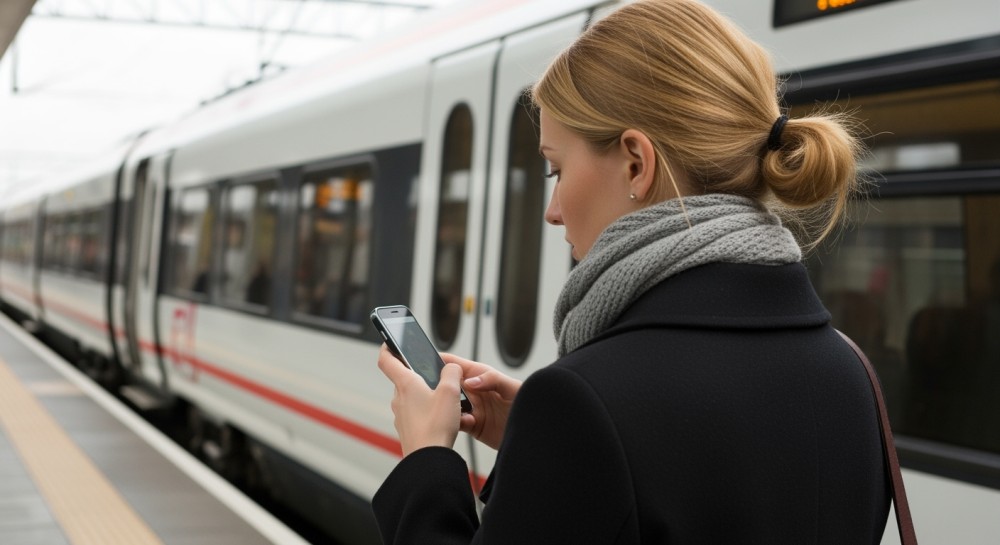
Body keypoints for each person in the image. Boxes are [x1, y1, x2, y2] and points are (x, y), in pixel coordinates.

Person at [373, 0, 890, 543]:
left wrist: (428, 459)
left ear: (636, 164)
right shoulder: (850, 372)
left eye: (556, 169)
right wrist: (542, 443)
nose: (552, 211)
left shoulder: (582, 402)